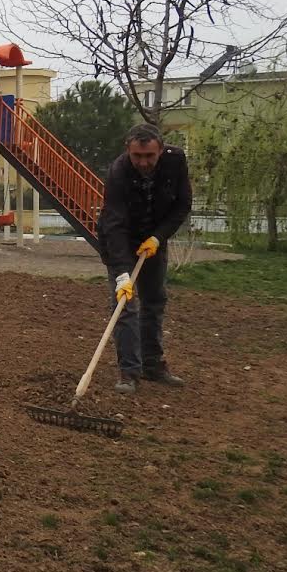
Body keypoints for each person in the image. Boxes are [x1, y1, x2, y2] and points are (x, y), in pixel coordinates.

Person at [96, 123, 192, 394]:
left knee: (154, 300)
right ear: (128, 151)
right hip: (120, 240)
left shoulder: (176, 161)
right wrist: (123, 275)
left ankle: (153, 365)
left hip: (153, 239)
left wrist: (158, 237)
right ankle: (129, 373)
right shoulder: (118, 172)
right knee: (124, 304)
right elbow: (113, 224)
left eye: (149, 156)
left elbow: (182, 204)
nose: (143, 162)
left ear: (161, 150)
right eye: (137, 156)